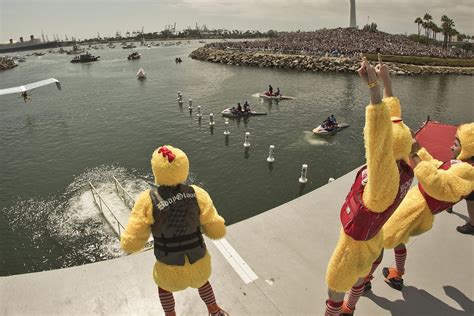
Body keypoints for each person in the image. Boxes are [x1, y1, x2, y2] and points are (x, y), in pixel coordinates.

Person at [325, 54, 414, 316]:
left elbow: (377, 136)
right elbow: (393, 121)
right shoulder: (402, 168)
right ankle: (350, 310)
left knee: (335, 288)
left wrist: (374, 90)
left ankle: (337, 311)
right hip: (374, 239)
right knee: (360, 280)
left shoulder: (383, 178)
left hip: (353, 247)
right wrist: (387, 82)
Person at [121, 145, 229, 316]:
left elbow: (132, 242)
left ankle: (170, 315)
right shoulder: (197, 193)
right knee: (203, 282)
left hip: (169, 267)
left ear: (156, 169)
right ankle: (214, 310)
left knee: (164, 288)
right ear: (184, 168)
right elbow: (216, 229)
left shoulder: (147, 200)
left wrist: (130, 243)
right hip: (198, 262)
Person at [376, 123, 474, 292]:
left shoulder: (467, 171)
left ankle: (364, 281)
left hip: (417, 209)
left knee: (378, 239)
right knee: (398, 238)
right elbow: (435, 166)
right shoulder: (462, 165)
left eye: (457, 144)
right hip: (417, 204)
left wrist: (414, 154)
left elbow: (436, 183)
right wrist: (417, 146)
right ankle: (397, 274)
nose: (452, 146)